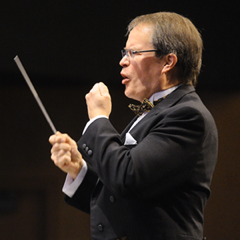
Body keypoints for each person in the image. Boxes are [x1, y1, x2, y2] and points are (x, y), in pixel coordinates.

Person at [49, 12, 218, 240]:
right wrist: (78, 170)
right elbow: (122, 203)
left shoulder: (187, 115)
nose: (123, 61)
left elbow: (127, 177)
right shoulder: (154, 110)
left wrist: (99, 119)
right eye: (124, 53)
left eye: (133, 53)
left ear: (168, 61)